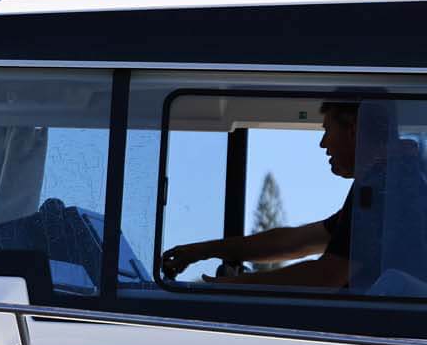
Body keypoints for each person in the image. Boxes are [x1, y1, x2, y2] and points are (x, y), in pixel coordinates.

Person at [160, 99, 426, 291]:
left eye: (327, 130)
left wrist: (235, 285)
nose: (323, 143)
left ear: (354, 129)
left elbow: (327, 276)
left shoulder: (384, 186)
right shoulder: (398, 177)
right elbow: (295, 242)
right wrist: (203, 250)